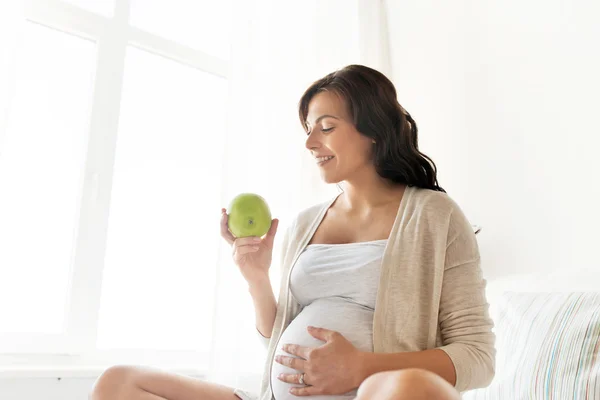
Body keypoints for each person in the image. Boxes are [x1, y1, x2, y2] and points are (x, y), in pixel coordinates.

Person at [90, 65, 495, 400]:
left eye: (326, 127)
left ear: (372, 130)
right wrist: (256, 277)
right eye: (308, 128)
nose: (310, 142)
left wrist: (361, 368)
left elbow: (477, 358)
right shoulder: (306, 223)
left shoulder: (434, 216)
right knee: (119, 382)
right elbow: (279, 341)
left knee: (412, 388)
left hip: (374, 394)